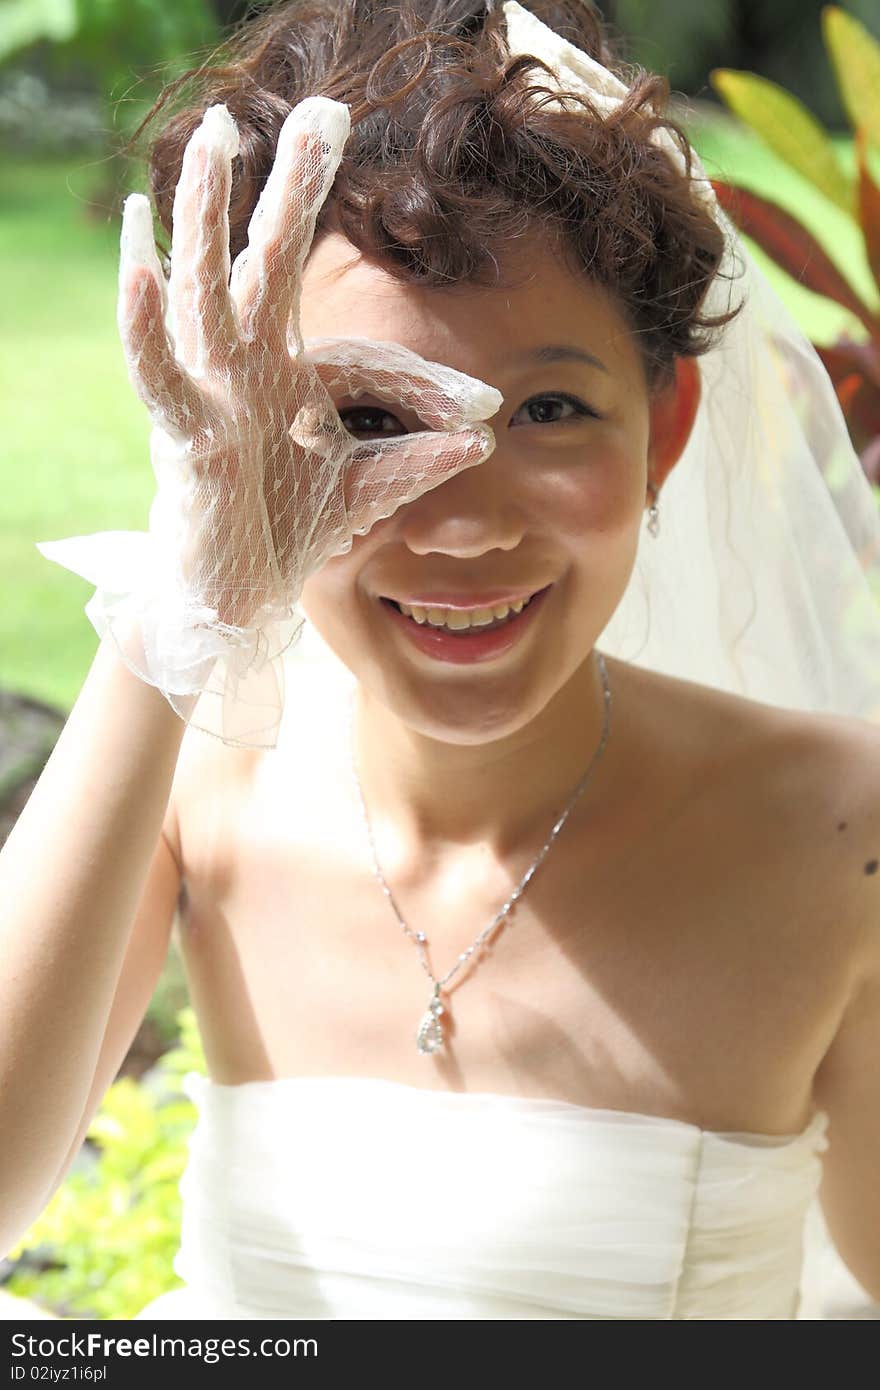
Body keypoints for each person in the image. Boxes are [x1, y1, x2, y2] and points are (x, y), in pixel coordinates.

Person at [2, 0, 879, 1320]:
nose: (462, 520)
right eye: (367, 416)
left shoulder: (841, 832)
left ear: (667, 428)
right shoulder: (203, 775)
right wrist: (179, 609)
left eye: (549, 410)